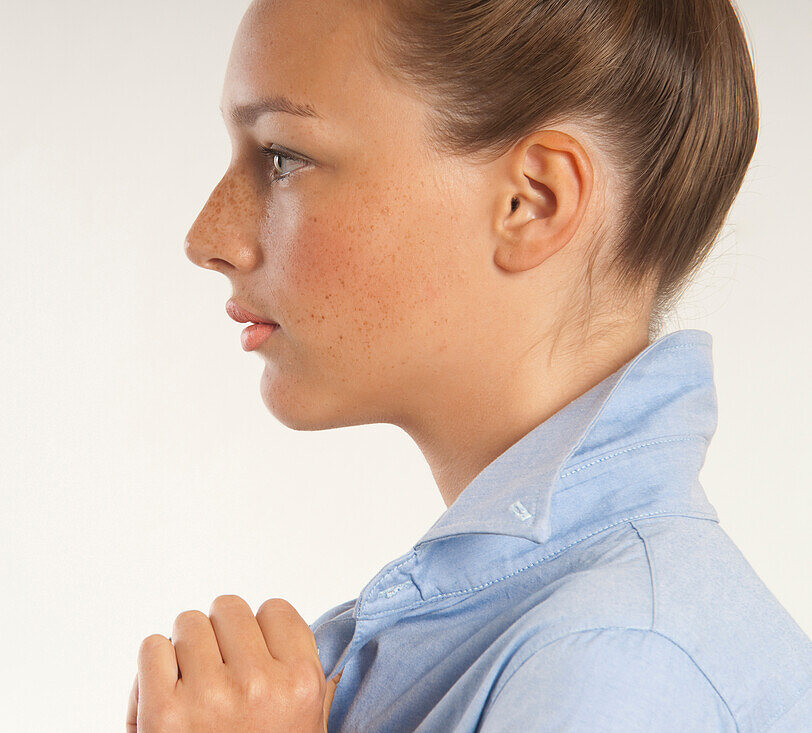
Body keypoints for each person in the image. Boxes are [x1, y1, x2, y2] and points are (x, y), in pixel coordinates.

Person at [128, 0, 812, 730]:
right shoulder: (577, 636)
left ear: (532, 202)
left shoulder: (618, 668)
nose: (209, 236)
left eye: (282, 158)